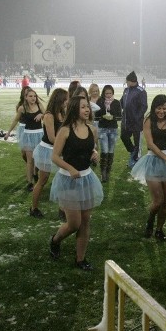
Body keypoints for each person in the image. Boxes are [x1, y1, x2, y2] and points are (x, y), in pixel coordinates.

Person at [48, 95, 104, 270]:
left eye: (88, 107)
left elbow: (90, 148)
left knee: (86, 221)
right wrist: (70, 168)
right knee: (74, 223)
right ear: (74, 109)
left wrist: (95, 154)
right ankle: (55, 240)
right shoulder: (65, 130)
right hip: (68, 180)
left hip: (86, 179)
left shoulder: (92, 129)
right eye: (83, 107)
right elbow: (55, 157)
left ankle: (80, 259)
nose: (87, 110)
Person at [130, 94, 166, 241]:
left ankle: (159, 230)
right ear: (154, 108)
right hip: (153, 160)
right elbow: (150, 144)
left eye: (164, 108)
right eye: (159, 108)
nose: (161, 111)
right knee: (158, 200)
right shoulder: (148, 120)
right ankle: (150, 219)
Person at [30, 88, 68, 218]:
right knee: (43, 180)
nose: (67, 102)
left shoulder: (63, 113)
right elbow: (52, 138)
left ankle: (62, 209)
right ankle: (33, 208)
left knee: (63, 180)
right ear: (59, 100)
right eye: (65, 100)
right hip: (47, 150)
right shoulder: (49, 115)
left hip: (58, 149)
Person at [5, 87, 44, 192]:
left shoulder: (40, 106)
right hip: (28, 136)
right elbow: (16, 120)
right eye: (30, 96)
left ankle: (35, 173)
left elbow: (48, 116)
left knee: (37, 159)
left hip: (40, 135)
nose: (33, 98)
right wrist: (8, 132)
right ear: (26, 97)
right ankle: (29, 182)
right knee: (29, 161)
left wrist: (42, 114)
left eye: (34, 96)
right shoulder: (22, 108)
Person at [94, 84, 122, 182]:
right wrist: (102, 116)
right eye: (107, 93)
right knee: (104, 151)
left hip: (113, 129)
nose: (109, 95)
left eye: (110, 93)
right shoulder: (100, 102)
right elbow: (96, 116)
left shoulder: (117, 103)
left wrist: (113, 117)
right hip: (103, 129)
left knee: (111, 151)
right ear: (103, 93)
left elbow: (120, 117)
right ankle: (103, 173)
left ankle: (108, 172)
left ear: (113, 93)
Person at [120, 71, 147, 167]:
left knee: (137, 143)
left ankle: (136, 161)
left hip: (136, 123)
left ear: (132, 81)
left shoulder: (141, 91)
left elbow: (144, 107)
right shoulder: (126, 90)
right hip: (126, 121)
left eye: (127, 81)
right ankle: (132, 151)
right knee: (123, 136)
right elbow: (122, 102)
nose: (126, 83)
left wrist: (137, 117)